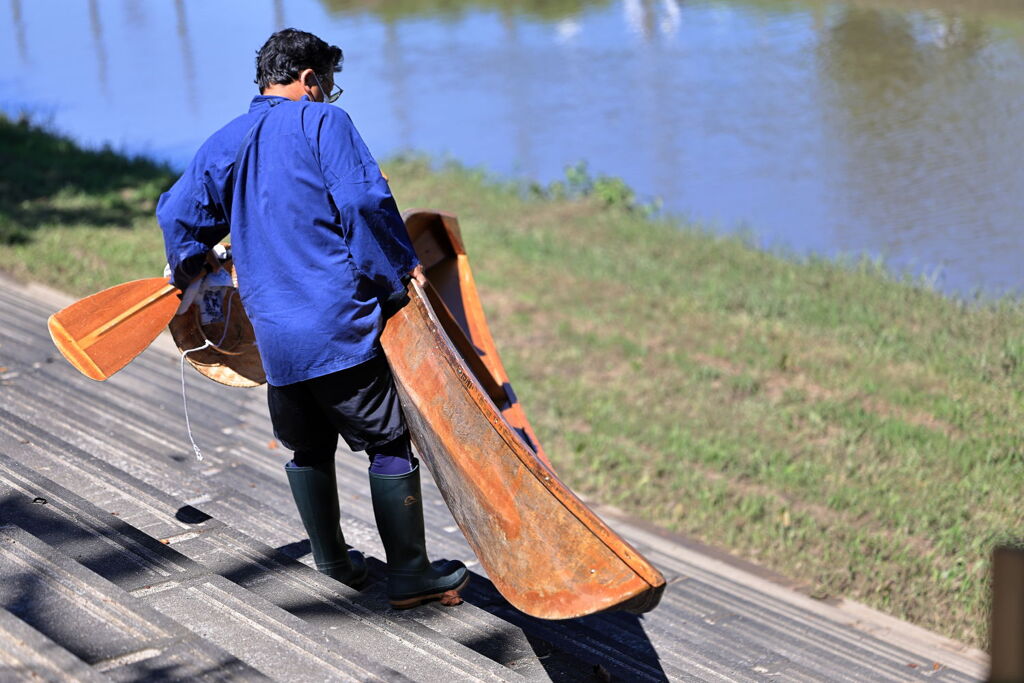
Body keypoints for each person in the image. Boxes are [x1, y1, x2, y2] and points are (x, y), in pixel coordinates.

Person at [156, 28, 467, 608]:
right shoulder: (326, 123)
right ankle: (409, 574)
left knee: (307, 445)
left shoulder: (229, 139)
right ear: (309, 80)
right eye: (328, 84)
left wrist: (192, 260)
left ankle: (332, 563)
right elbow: (362, 203)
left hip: (276, 338)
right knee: (389, 443)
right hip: (339, 324)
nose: (329, 94)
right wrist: (397, 271)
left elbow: (178, 212)